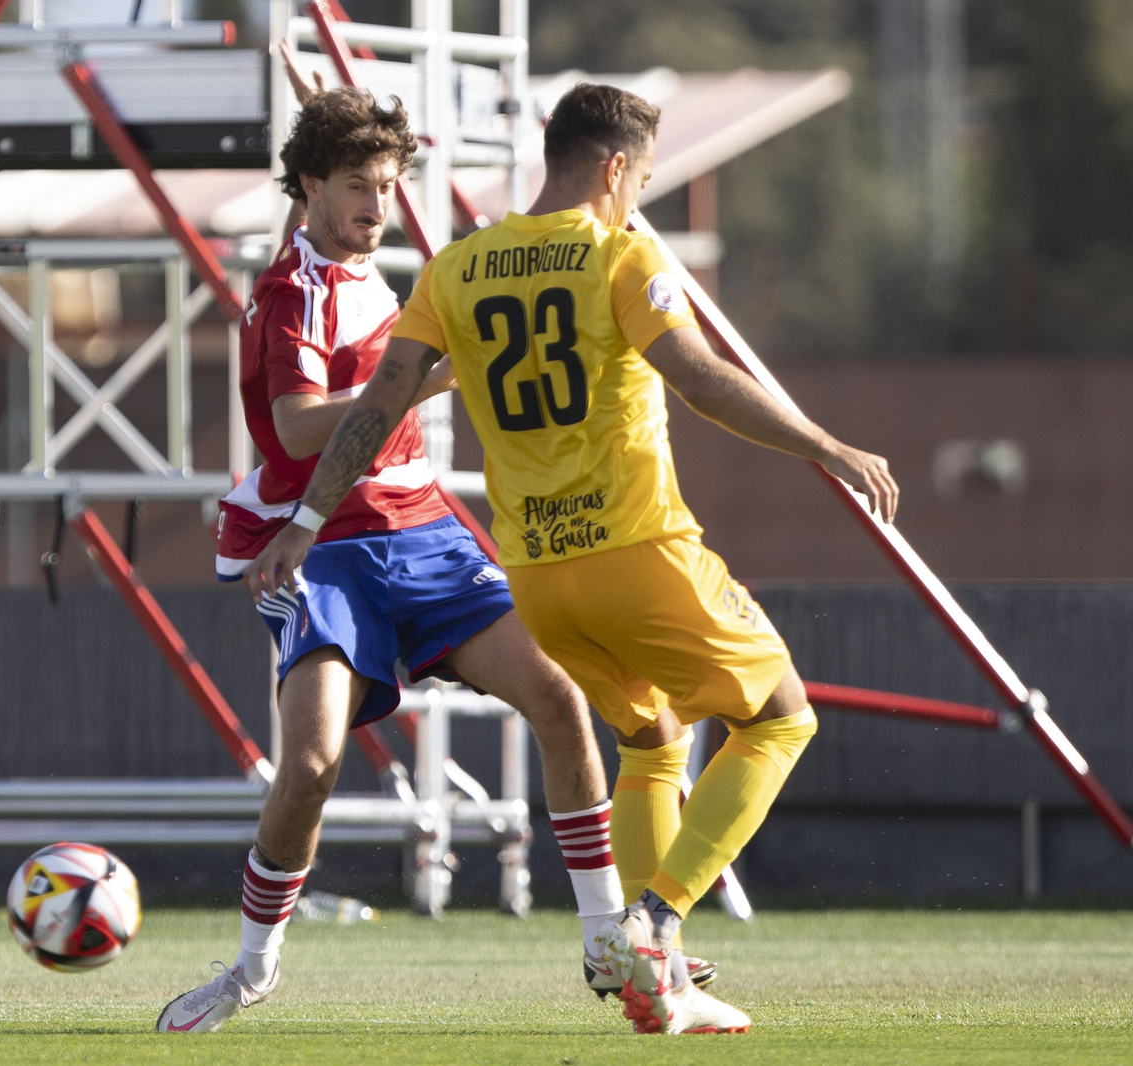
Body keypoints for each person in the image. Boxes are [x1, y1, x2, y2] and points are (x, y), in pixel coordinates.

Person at [246, 82, 899, 1036]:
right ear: (615, 168)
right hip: (642, 553)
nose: (638, 197)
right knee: (780, 721)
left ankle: (656, 992)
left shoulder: (457, 269)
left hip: (542, 579)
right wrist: (825, 445)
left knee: (650, 739)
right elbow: (700, 377)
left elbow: (381, 404)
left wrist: (302, 521)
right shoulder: (621, 252)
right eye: (640, 179)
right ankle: (656, 921)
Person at [157, 77, 643, 1035]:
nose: (375, 206)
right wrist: (416, 378)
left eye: (385, 186)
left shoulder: (384, 273)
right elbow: (299, 431)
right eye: (356, 186)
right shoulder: (287, 293)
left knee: (558, 698)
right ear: (307, 186)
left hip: (420, 532)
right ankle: (253, 968)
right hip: (322, 548)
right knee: (309, 765)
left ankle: (605, 942)